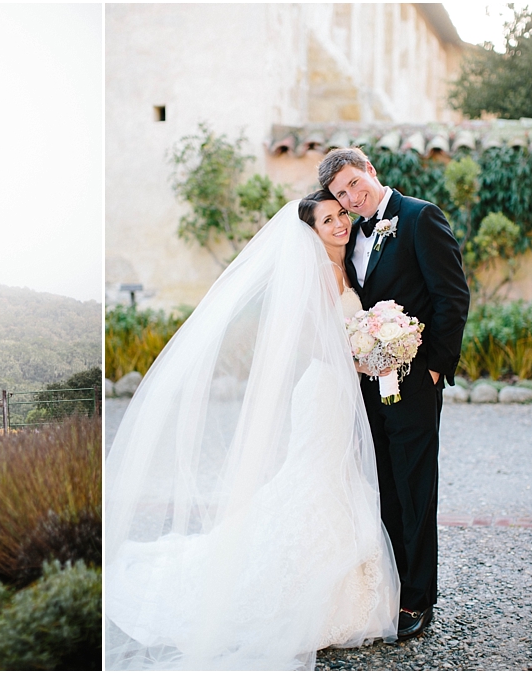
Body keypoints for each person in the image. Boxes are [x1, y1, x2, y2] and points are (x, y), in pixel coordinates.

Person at [105, 193, 400, 670]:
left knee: (331, 477)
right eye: (328, 219)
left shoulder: (347, 269)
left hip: (339, 393)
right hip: (324, 391)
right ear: (312, 231)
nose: (340, 223)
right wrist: (368, 354)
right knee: (316, 480)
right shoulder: (320, 275)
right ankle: (297, 593)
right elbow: (316, 341)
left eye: (340, 214)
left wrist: (373, 349)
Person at [319, 148, 470, 641]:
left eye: (353, 184)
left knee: (415, 489)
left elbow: (452, 296)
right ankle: (391, 587)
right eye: (340, 194)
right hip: (369, 385)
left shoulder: (420, 216)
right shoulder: (351, 234)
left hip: (414, 382)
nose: (351, 197)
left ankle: (418, 601)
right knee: (383, 486)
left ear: (370, 170)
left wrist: (433, 370)